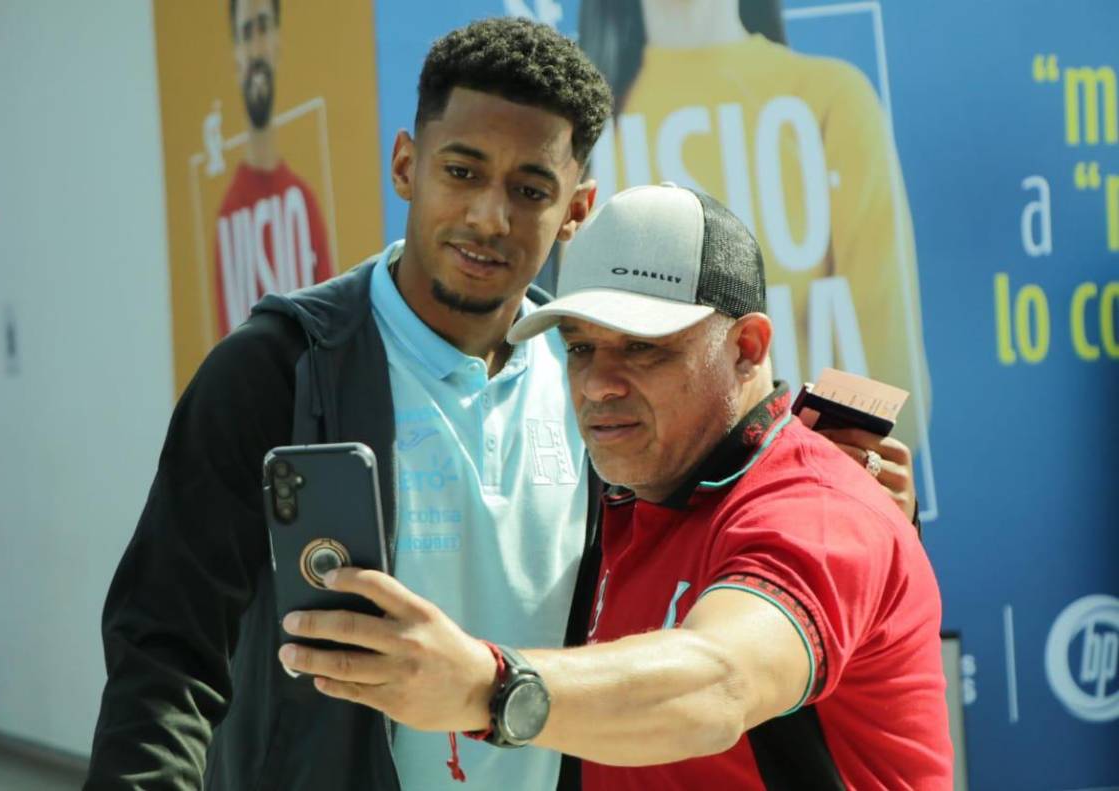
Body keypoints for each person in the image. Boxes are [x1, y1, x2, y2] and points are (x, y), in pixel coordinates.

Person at [279, 184, 953, 789]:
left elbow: (718, 681)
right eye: (579, 347)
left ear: (748, 347)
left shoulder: (819, 507)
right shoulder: (623, 491)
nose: (598, 384)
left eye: (642, 347)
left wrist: (490, 688)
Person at [87, 17, 612, 791]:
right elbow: (165, 650)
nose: (487, 217)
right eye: (461, 172)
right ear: (406, 164)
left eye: (530, 189)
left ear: (576, 209)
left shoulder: (593, 382)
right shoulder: (277, 369)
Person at [578, 0, 932, 455]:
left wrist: (809, 486)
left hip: (810, 497)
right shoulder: (580, 131)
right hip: (647, 508)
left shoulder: (830, 98)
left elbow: (889, 374)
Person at [213, 0, 334, 337]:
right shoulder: (228, 216)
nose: (255, 48)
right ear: (236, 54)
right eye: (246, 33)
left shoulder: (303, 201)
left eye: (264, 27)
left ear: (278, 43)